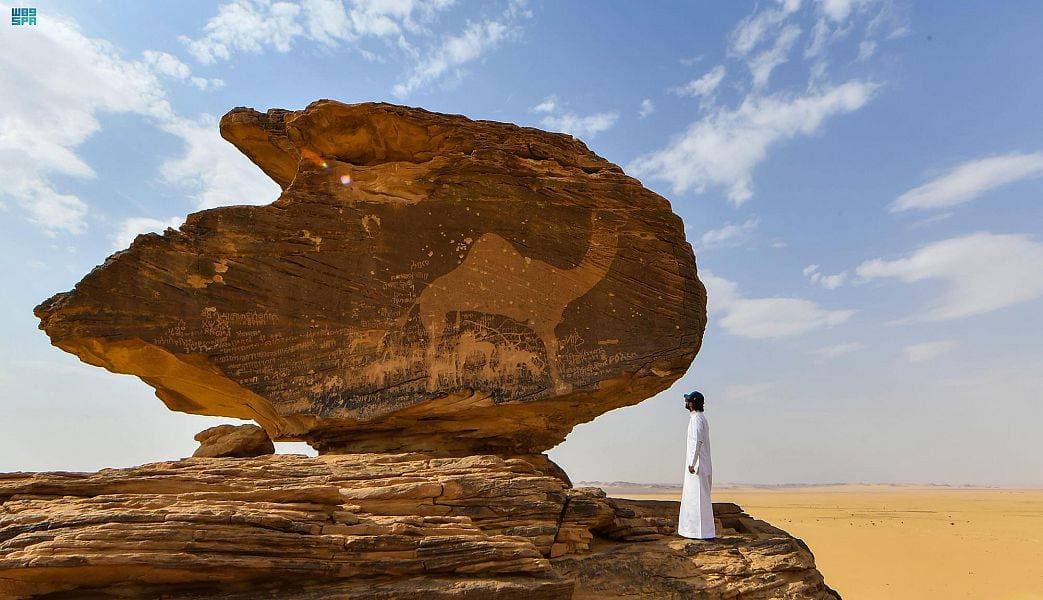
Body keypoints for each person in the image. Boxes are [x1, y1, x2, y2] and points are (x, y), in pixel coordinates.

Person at [678, 390, 715, 539]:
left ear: (692, 403)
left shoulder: (697, 419)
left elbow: (697, 441)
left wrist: (692, 463)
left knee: (698, 500)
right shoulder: (699, 418)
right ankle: (694, 531)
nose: (685, 402)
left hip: (698, 466)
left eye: (687, 400)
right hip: (700, 465)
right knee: (695, 499)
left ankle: (701, 533)